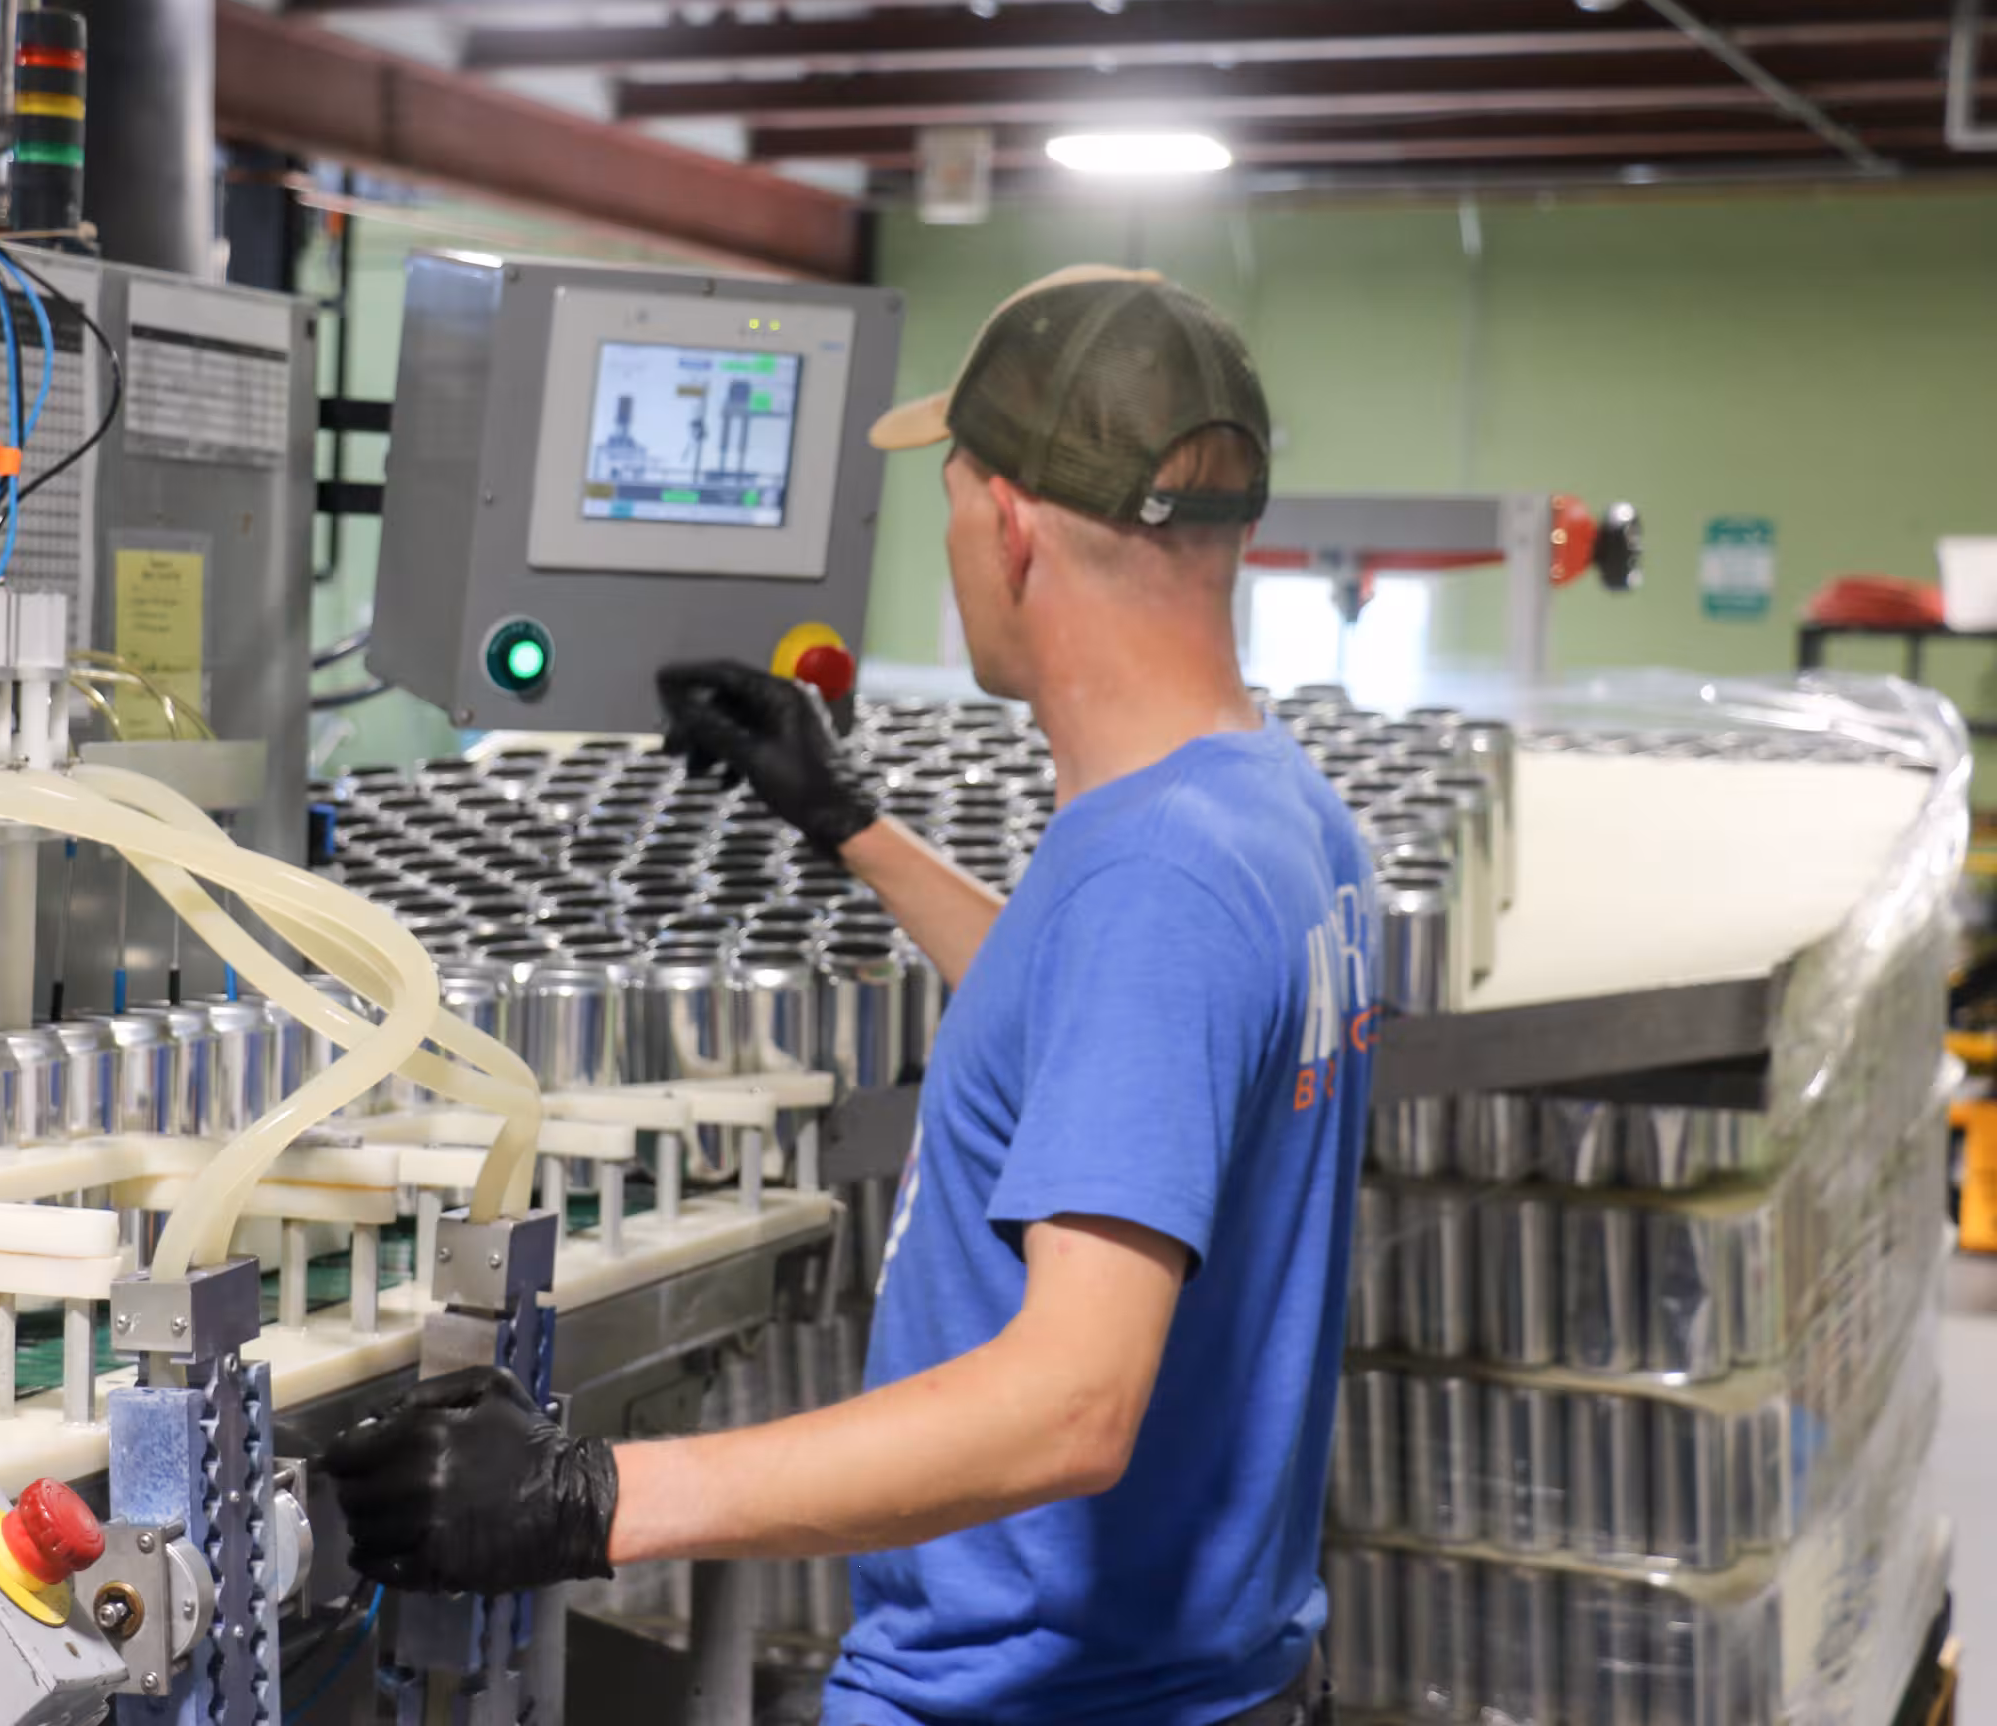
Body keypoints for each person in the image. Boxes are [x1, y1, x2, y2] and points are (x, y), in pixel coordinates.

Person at [323, 266, 1378, 1726]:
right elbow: (1101, 1032)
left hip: (1039, 1704)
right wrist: (849, 824)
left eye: (950, 493)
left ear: (1006, 526)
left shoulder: (1159, 884)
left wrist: (597, 1497)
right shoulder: (1274, 815)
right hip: (1218, 1681)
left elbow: (1074, 1406)